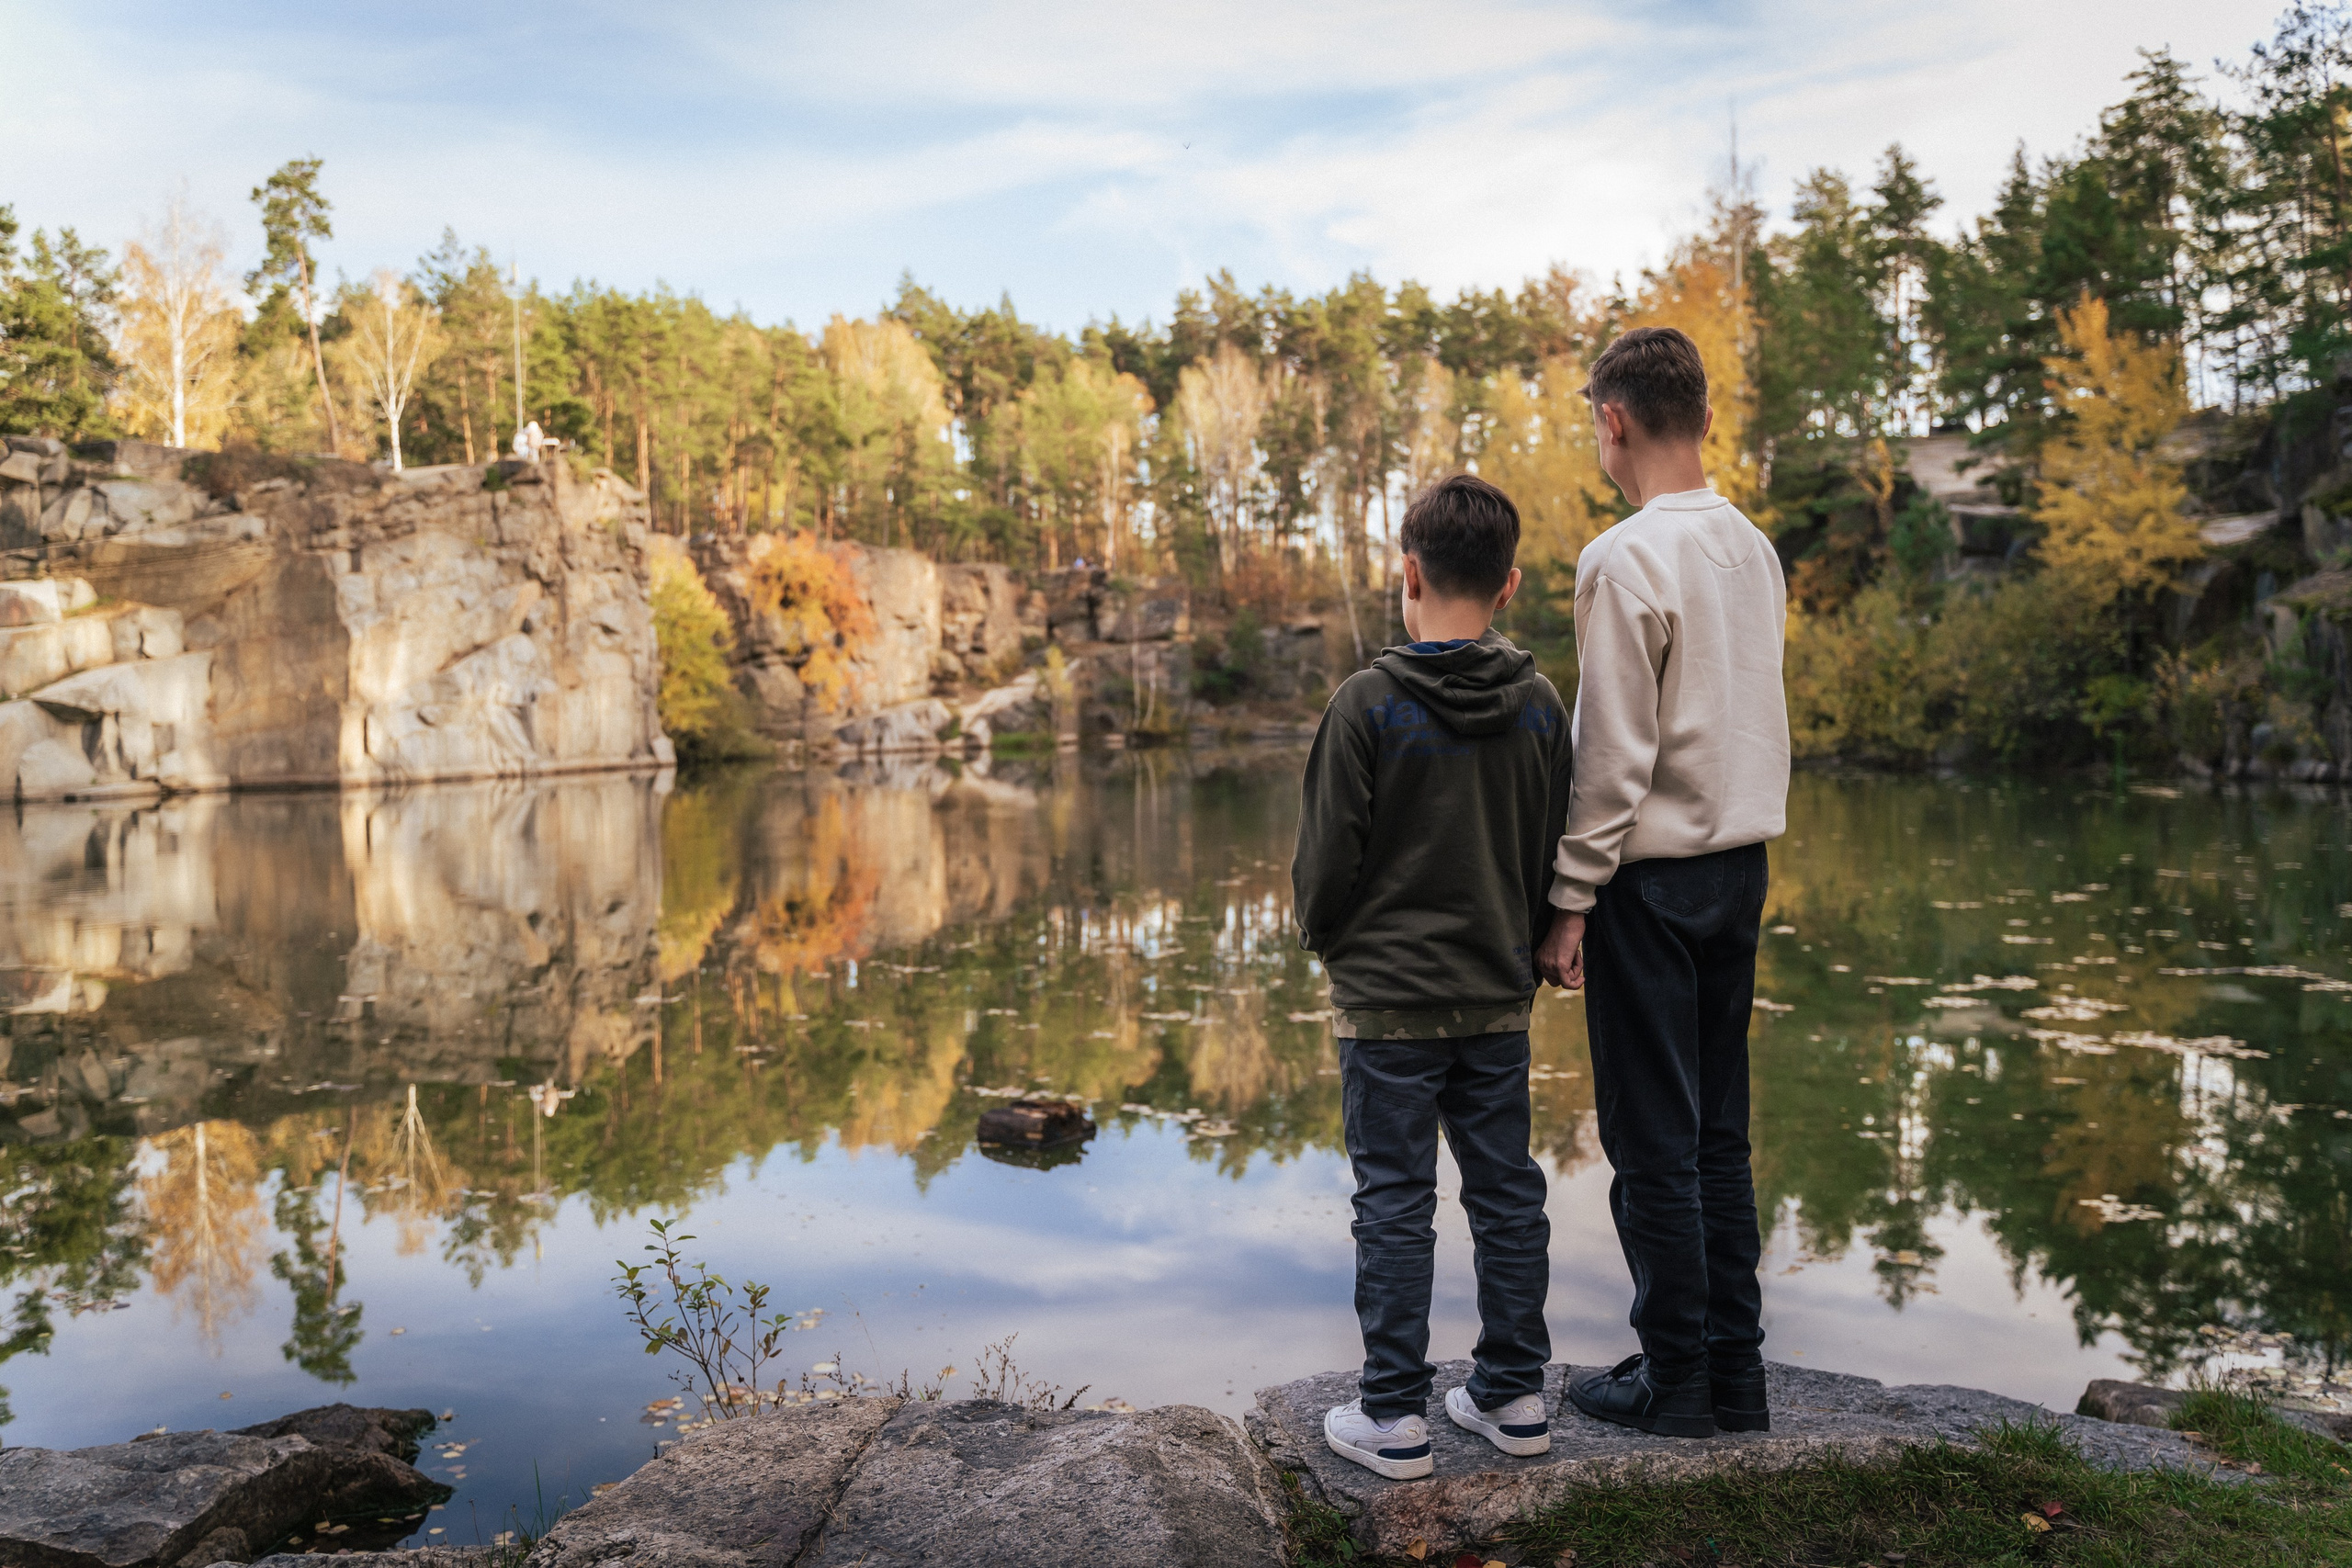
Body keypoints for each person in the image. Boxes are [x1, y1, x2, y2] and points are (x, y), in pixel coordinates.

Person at [1293, 473, 1576, 1479]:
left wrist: (1325, 941)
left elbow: (1326, 859)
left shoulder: (1366, 704)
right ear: (1505, 588)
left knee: (1394, 1200)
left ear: (1406, 574)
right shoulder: (1540, 705)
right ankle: (1512, 1396)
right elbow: (1554, 843)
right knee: (1507, 1193)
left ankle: (1393, 1417)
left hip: (1387, 1010)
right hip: (1497, 999)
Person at [1536, 326, 1790, 1439]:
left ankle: (1674, 1379)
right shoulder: (1753, 547)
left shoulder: (1623, 556)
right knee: (1717, 1133)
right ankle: (1734, 1374)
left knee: (1650, 1142)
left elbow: (1612, 754)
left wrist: (1571, 896)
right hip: (1740, 870)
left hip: (1651, 884)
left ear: (1615, 421)